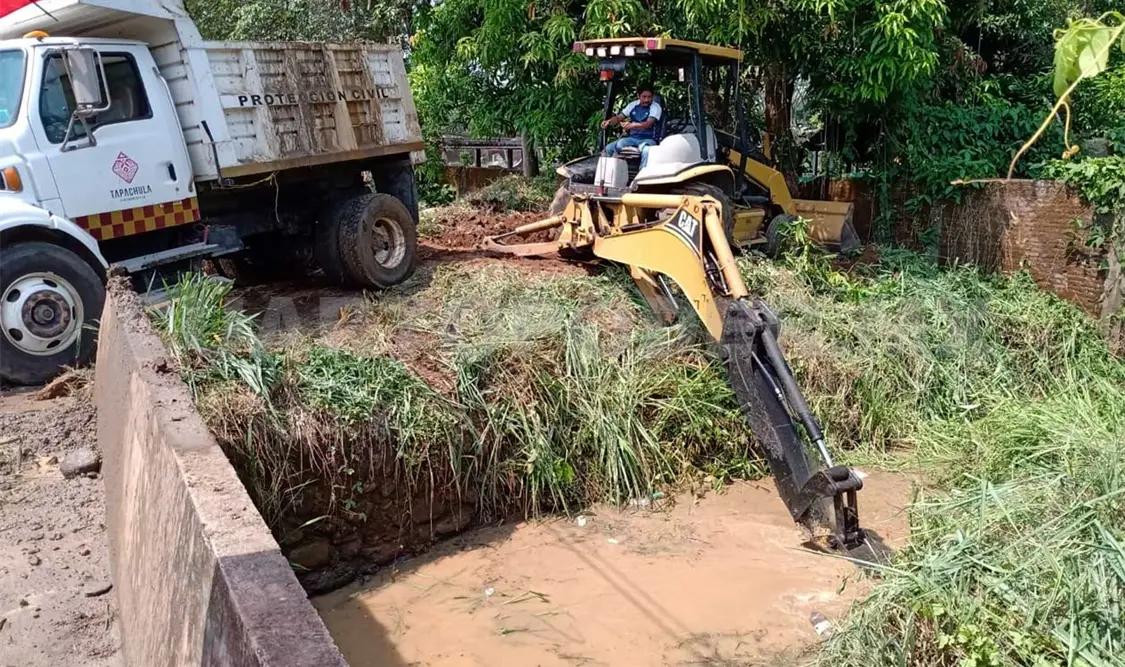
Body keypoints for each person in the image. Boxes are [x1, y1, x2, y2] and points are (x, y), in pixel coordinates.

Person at [601, 84, 662, 167]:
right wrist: (609, 122)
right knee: (609, 148)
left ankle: (642, 173)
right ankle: (610, 172)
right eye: (644, 97)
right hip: (632, 139)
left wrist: (632, 125)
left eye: (649, 97)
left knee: (647, 151)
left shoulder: (656, 107)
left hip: (648, 139)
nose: (647, 100)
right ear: (638, 96)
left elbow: (648, 124)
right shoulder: (633, 105)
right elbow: (619, 118)